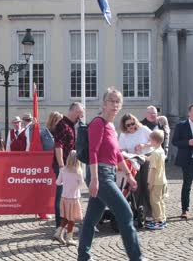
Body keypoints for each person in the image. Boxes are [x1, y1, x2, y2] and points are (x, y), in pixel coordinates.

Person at [78, 87, 142, 261]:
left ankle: (83, 257)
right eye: (111, 101)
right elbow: (93, 151)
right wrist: (95, 180)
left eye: (117, 101)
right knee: (126, 214)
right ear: (104, 104)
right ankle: (136, 258)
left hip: (110, 172)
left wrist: (128, 175)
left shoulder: (111, 127)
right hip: (100, 174)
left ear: (120, 105)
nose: (114, 104)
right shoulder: (98, 123)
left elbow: (117, 154)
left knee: (91, 220)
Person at [53, 102, 84, 229]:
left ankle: (65, 224)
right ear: (74, 111)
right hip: (64, 166)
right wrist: (61, 166)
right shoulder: (62, 124)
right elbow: (58, 146)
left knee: (68, 196)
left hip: (70, 166)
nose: (80, 116)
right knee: (61, 196)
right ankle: (59, 225)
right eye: (79, 113)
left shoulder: (72, 125)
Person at [119, 113, 153, 222]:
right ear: (124, 126)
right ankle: (138, 212)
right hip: (133, 160)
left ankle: (149, 212)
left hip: (146, 158)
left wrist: (144, 146)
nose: (131, 127)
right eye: (128, 125)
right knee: (135, 186)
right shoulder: (123, 135)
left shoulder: (143, 129)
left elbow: (155, 140)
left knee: (146, 185)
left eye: (132, 124)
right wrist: (126, 152)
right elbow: (121, 150)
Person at [53, 150, 84, 246]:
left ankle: (58, 233)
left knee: (66, 218)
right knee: (71, 219)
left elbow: (58, 182)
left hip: (64, 197)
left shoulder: (63, 170)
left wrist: (65, 183)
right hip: (73, 198)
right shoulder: (78, 172)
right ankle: (69, 238)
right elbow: (81, 184)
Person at [146, 130, 168, 230]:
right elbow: (151, 158)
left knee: (154, 201)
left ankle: (158, 221)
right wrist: (143, 157)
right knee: (160, 200)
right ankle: (163, 219)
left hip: (155, 181)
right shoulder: (161, 150)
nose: (149, 142)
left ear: (155, 141)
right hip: (162, 180)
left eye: (150, 140)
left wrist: (150, 183)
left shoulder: (155, 153)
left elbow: (153, 169)